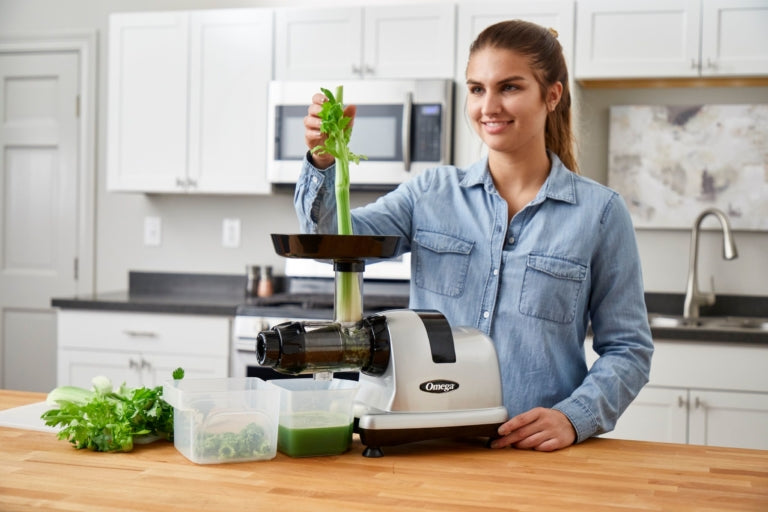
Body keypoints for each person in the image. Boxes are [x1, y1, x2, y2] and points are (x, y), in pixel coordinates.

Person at [296, 19, 653, 451]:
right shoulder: (429, 194)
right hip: (426, 447)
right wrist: (322, 161)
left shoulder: (600, 214)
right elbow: (331, 241)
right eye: (477, 88)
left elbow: (628, 349)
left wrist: (573, 417)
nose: (489, 106)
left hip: (534, 455)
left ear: (552, 95)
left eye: (510, 87)